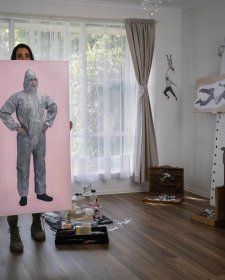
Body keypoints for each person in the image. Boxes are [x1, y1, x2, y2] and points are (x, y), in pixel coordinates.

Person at [1, 43, 58, 253]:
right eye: (19, 56)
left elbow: (55, 108)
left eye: (27, 55)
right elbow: (3, 112)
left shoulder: (43, 95)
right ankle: (17, 217)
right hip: (24, 138)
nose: (23, 58)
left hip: (40, 137)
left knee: (40, 166)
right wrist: (16, 127)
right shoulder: (17, 96)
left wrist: (49, 124)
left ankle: (38, 210)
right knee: (23, 168)